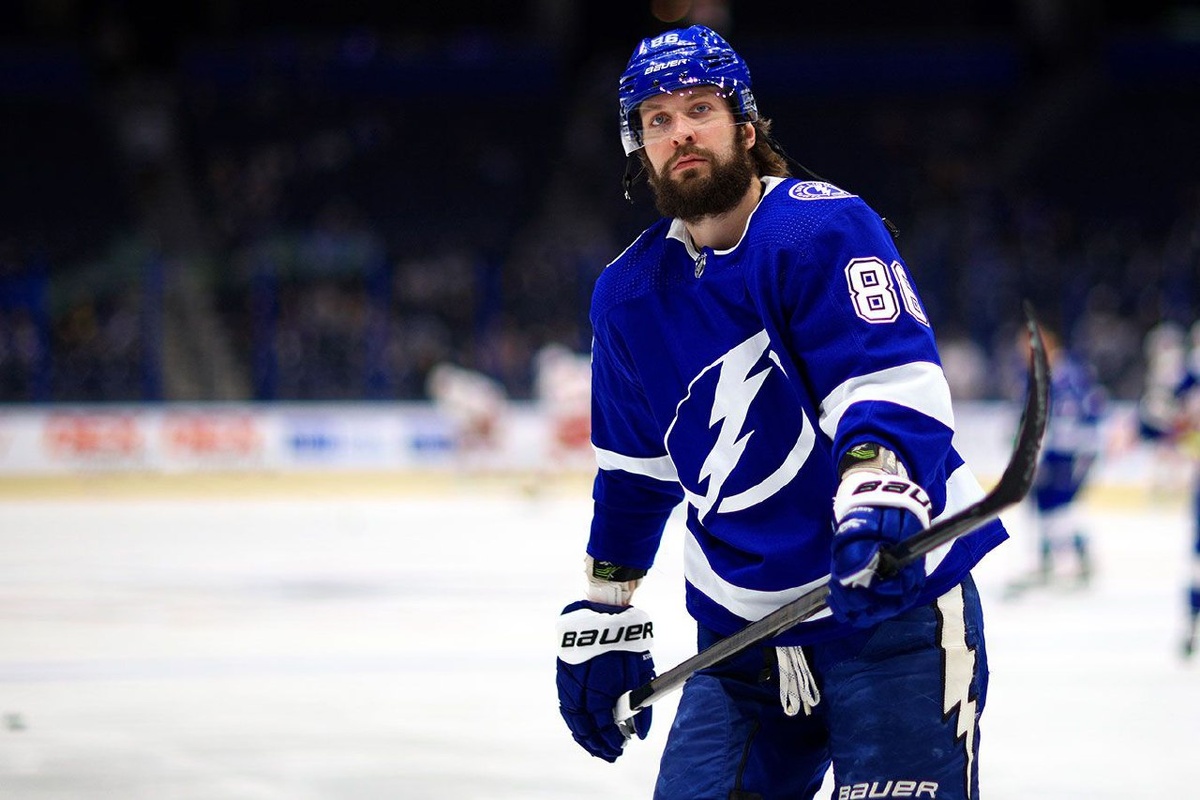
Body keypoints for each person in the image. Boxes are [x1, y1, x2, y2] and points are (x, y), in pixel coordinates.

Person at [554, 25, 1007, 799]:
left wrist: (875, 485)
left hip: (890, 609)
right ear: (640, 150)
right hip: (743, 641)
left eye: (699, 109)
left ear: (745, 125)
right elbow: (635, 478)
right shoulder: (627, 295)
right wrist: (605, 606)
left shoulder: (820, 227)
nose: (680, 132)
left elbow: (886, 382)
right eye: (657, 119)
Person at [1004, 326, 1107, 597]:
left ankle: (1079, 558)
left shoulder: (1065, 374)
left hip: (1069, 451)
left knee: (1059, 506)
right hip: (1054, 451)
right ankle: (1050, 559)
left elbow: (1076, 415)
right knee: (1044, 504)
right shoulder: (1041, 374)